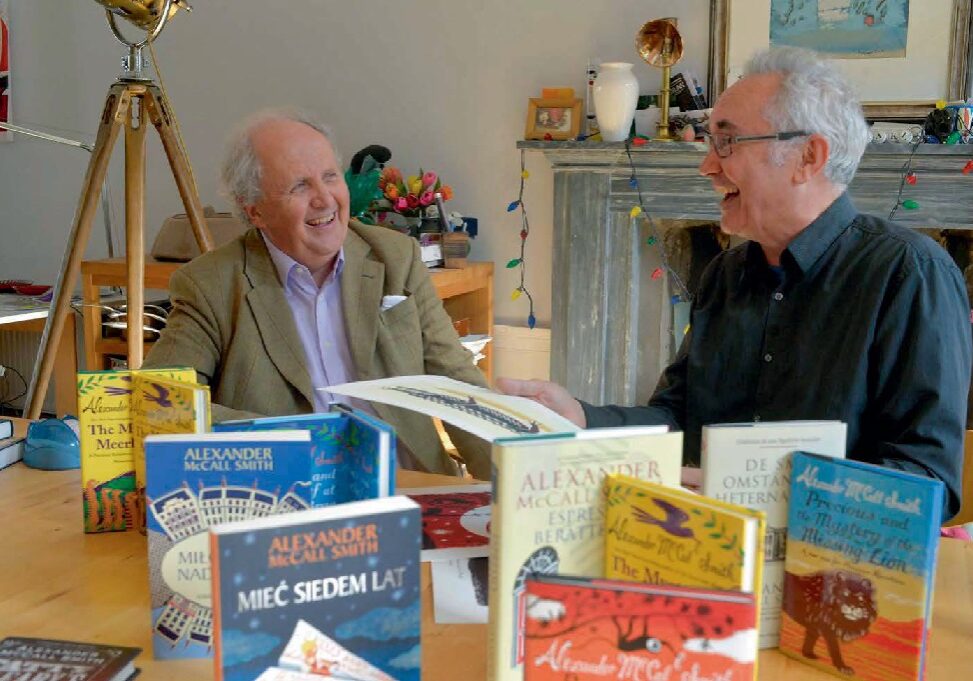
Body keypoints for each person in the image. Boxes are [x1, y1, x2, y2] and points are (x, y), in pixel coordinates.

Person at [499, 47, 971, 519]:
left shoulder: (909, 273)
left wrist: (759, 491)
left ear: (808, 156)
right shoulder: (725, 273)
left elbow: (925, 484)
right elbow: (678, 418)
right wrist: (581, 419)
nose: (707, 166)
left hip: (835, 569)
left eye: (727, 143)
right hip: (713, 547)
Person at [143, 108, 491, 479]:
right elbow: (162, 404)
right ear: (256, 212)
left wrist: (515, 486)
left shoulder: (395, 257)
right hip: (297, 492)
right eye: (299, 186)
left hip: (411, 484)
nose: (325, 200)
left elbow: (455, 383)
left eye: (330, 177)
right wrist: (300, 444)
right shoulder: (211, 284)